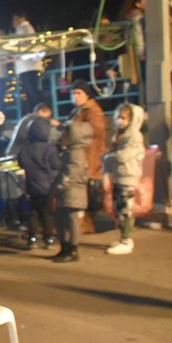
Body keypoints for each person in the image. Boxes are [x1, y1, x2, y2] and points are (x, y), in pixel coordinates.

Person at [102, 103, 145, 255]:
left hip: (128, 176)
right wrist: (107, 170)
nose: (120, 121)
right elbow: (112, 158)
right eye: (118, 117)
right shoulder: (119, 135)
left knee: (126, 209)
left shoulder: (135, 136)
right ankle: (123, 238)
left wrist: (108, 157)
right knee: (119, 209)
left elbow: (122, 156)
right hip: (119, 175)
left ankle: (126, 240)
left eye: (124, 118)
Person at [52, 121, 93, 262]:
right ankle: (65, 248)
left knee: (72, 221)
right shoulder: (69, 152)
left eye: (65, 134)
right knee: (62, 220)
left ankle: (73, 249)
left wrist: (60, 186)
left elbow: (72, 174)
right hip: (68, 193)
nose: (62, 136)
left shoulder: (76, 154)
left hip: (73, 193)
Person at [69, 79, 107, 231]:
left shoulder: (93, 111)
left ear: (87, 94)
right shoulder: (78, 110)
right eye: (73, 93)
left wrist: (72, 129)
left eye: (79, 93)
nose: (75, 96)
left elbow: (95, 132)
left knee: (88, 193)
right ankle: (82, 223)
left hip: (90, 157)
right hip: (81, 157)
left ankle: (88, 224)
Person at [17, 117, 59, 249]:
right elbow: (56, 165)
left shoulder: (25, 148)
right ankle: (49, 238)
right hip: (49, 186)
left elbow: (21, 163)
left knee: (33, 212)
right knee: (47, 213)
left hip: (32, 184)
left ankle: (32, 238)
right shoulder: (50, 148)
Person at [12, 11, 43, 113]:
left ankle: (39, 112)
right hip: (27, 66)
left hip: (29, 66)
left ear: (21, 18)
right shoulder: (25, 28)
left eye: (14, 19)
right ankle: (35, 113)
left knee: (32, 92)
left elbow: (18, 44)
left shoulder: (25, 28)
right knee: (30, 93)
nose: (13, 22)